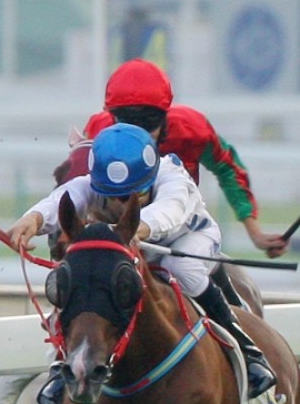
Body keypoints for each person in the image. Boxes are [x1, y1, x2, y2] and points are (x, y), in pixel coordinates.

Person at [7, 123, 277, 404]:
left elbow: (169, 212)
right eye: (115, 197)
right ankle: (61, 367)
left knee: (182, 268)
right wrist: (33, 219)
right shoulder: (94, 183)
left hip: (185, 240)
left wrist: (136, 228)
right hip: (126, 245)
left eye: (133, 195)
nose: (123, 203)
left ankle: (248, 351)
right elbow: (66, 197)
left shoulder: (173, 178)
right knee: (85, 281)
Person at [81, 58, 289, 259]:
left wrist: (255, 233)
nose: (140, 135)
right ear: (112, 116)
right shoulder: (97, 133)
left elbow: (228, 168)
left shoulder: (192, 130)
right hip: (115, 233)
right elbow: (79, 187)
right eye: (129, 123)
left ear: (166, 113)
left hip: (179, 232)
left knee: (190, 270)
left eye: (149, 121)